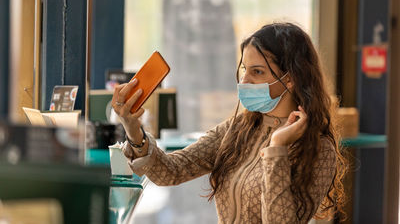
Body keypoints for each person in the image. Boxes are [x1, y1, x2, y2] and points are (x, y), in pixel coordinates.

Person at [112, 22, 346, 223]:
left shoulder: (319, 148)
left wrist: (277, 148)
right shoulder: (237, 130)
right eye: (244, 69)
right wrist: (133, 130)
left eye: (257, 72)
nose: (244, 80)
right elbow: (170, 172)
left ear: (291, 78)